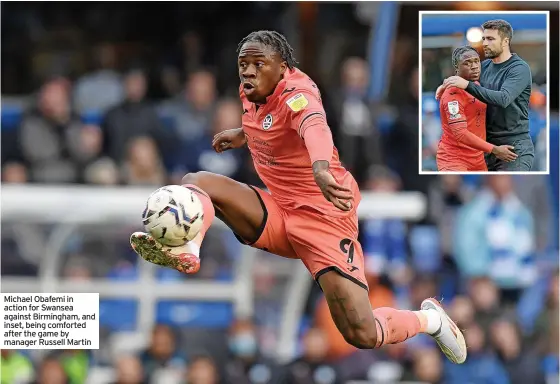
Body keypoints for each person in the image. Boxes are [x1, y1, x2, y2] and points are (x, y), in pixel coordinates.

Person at [130, 30, 466, 364]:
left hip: (324, 218)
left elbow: (313, 126)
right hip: (280, 209)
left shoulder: (298, 92)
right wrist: (242, 134)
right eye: (243, 64)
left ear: (283, 67)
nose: (248, 71)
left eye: (258, 63)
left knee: (361, 334)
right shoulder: (251, 90)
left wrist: (321, 167)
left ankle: (430, 320)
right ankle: (188, 247)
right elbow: (268, 123)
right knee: (197, 181)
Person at [436, 19, 534, 171]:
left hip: (513, 147)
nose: (485, 43)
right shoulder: (485, 66)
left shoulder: (519, 69)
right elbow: (464, 74)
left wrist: (465, 85)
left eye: (490, 39)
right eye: (484, 39)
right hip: (486, 149)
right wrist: (445, 85)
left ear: (505, 41)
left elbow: (503, 98)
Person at [437, 46, 517, 171]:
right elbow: (461, 134)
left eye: (476, 61)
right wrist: (494, 149)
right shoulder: (452, 95)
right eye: (467, 63)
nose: (474, 66)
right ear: (457, 68)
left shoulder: (476, 85)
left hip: (478, 158)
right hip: (454, 159)